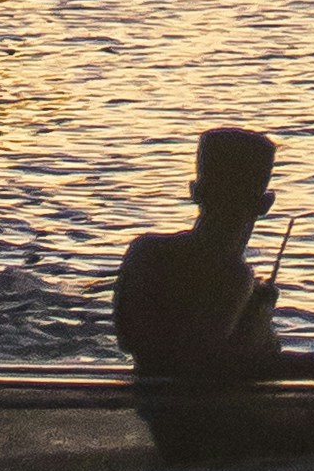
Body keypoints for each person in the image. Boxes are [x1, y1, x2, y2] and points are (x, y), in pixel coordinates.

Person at [112, 127, 291, 390]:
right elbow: (205, 367)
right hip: (206, 422)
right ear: (266, 203)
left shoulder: (144, 251)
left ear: (194, 190)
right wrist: (257, 328)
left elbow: (129, 342)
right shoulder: (233, 277)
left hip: (150, 411)